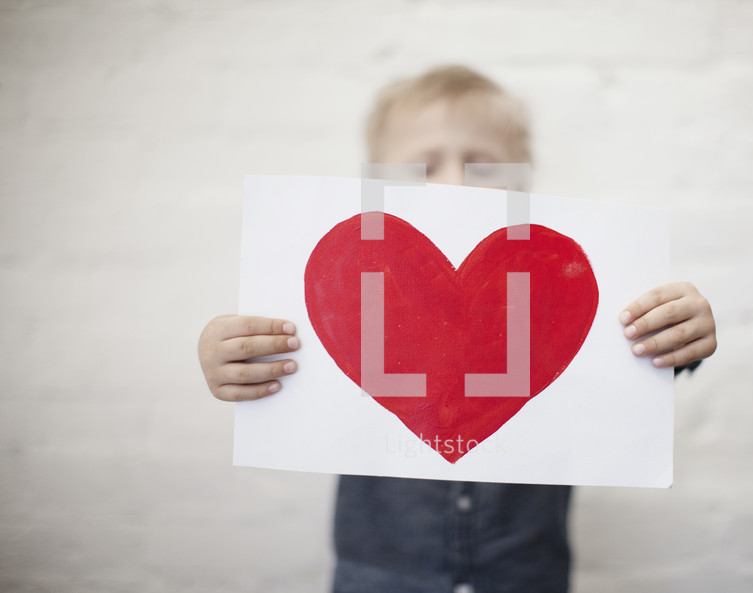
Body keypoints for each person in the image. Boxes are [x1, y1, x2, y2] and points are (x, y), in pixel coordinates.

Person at [198, 65, 717, 593]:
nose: (453, 182)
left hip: (527, 577)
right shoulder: (349, 299)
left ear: (526, 181)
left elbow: (629, 357)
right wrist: (234, 356)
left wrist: (680, 333)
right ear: (372, 185)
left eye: (482, 164)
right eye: (422, 166)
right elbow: (287, 361)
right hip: (377, 579)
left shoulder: (557, 291)